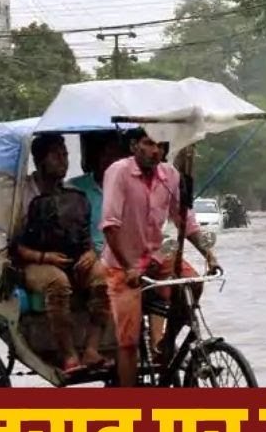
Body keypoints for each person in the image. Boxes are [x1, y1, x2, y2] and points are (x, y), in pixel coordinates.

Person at [101, 128, 220, 387]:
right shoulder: (119, 172)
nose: (156, 151)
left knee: (193, 283)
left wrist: (210, 256)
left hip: (157, 256)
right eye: (149, 143)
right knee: (129, 341)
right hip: (122, 264)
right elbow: (110, 225)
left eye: (161, 146)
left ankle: (166, 344)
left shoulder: (170, 175)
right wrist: (128, 267)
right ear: (134, 146)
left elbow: (184, 220)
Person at [12, 134, 112, 374]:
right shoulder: (23, 193)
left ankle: (91, 349)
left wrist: (90, 253)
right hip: (33, 261)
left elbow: (84, 232)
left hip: (73, 258)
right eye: (56, 155)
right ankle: (68, 355)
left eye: (65, 155)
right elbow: (13, 245)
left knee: (104, 277)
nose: (63, 160)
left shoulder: (73, 193)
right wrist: (45, 258)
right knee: (58, 282)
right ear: (39, 160)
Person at [67, 134, 127, 255]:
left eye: (115, 156)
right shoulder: (74, 187)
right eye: (105, 155)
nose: (110, 161)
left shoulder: (131, 188)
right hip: (86, 254)